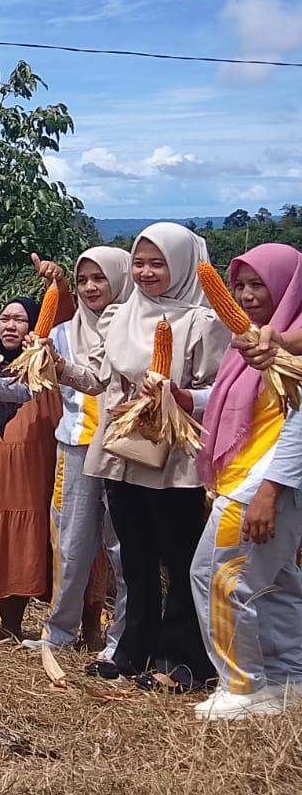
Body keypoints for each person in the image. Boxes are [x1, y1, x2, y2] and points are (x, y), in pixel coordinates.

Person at [55, 222, 229, 690]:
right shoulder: (120, 315)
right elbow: (98, 379)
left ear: (184, 266)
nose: (146, 273)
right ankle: (133, 650)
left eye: (158, 264)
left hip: (172, 455)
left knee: (179, 558)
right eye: (139, 263)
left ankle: (183, 661)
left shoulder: (202, 321)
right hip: (122, 450)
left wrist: (181, 397)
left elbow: (219, 390)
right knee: (136, 558)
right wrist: (58, 366)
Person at [0, 248, 132, 660]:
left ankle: (122, 638)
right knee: (69, 545)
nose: (90, 287)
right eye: (83, 281)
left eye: (99, 278)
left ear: (120, 279)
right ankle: (59, 633)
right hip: (76, 446)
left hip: (124, 450)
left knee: (123, 549)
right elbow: (32, 387)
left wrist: (56, 285)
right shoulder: (63, 334)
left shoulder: (138, 326)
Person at [190, 243, 302, 719]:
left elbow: (297, 426)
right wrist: (184, 399)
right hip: (250, 480)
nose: (246, 295)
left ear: (288, 287)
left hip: (264, 485)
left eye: (259, 284)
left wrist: (268, 493)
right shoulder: (252, 347)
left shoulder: (290, 350)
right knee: (275, 581)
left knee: (218, 576)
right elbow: (231, 398)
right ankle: (288, 678)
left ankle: (241, 685)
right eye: (239, 285)